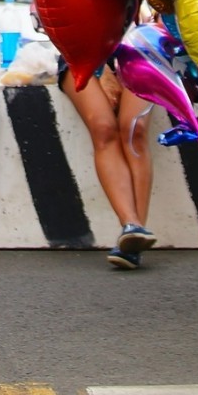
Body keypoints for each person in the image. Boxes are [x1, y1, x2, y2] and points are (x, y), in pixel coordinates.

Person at [60, 59, 155, 269]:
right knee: (103, 128)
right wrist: (99, 67)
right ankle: (131, 225)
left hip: (142, 48)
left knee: (134, 128)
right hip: (81, 53)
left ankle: (133, 240)